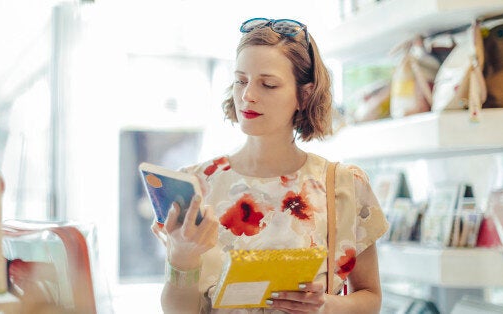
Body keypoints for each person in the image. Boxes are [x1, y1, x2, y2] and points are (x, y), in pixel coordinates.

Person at [151, 17, 389, 314]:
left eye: (268, 84)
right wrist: (181, 259)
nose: (248, 95)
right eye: (241, 80)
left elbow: (371, 298)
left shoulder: (345, 186)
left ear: (304, 95)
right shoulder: (195, 185)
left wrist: (324, 306)